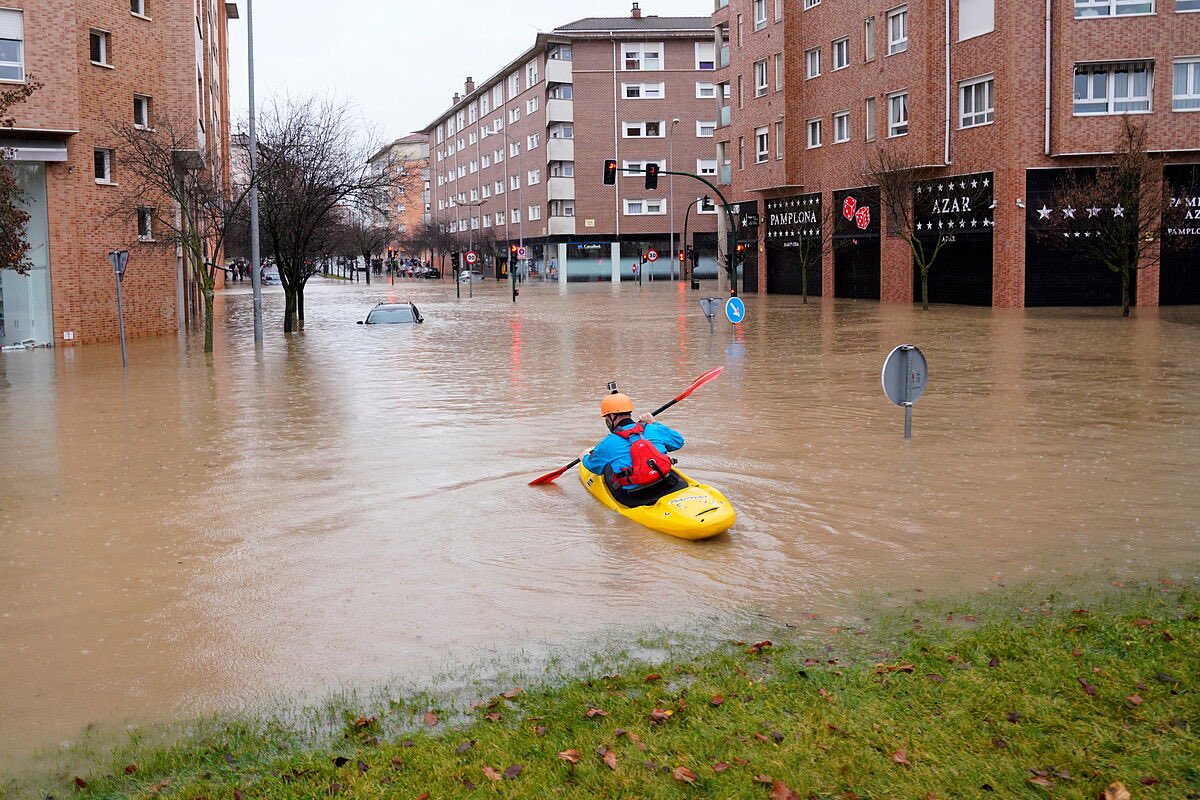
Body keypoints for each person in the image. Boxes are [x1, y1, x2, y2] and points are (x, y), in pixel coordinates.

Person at [581, 392, 684, 504]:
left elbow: (594, 468)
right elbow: (678, 442)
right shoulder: (652, 428)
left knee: (608, 468)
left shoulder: (607, 443)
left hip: (636, 494)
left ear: (611, 416)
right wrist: (654, 423)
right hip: (666, 482)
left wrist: (585, 457)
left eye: (606, 418)